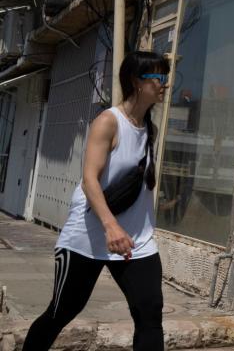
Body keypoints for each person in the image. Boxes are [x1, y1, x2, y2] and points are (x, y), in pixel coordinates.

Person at [22, 51, 170, 351]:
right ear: (135, 81)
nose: (163, 84)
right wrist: (110, 226)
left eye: (165, 77)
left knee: (149, 315)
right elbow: (90, 178)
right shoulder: (108, 122)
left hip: (136, 241)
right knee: (62, 311)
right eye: (157, 77)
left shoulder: (149, 129)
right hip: (88, 236)